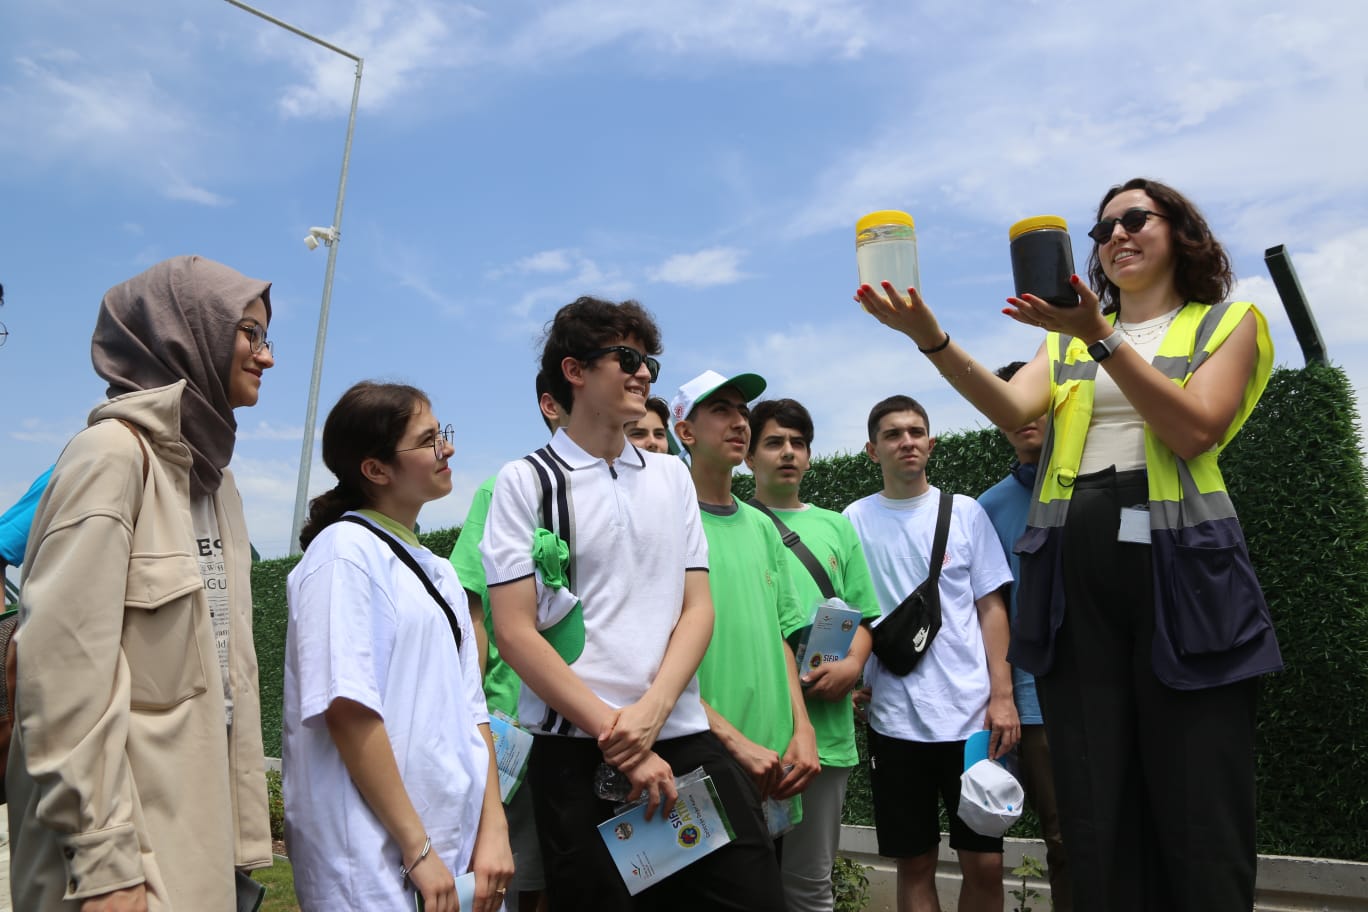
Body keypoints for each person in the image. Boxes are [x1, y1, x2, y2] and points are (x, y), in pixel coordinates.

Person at [856, 177, 1281, 911]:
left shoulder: (1227, 321)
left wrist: (1102, 335)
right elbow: (1010, 405)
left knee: (1198, 794)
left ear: (1181, 231)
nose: (1115, 234)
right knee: (1093, 798)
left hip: (1185, 572)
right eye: (1103, 226)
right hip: (1074, 574)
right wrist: (930, 337)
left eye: (1135, 218)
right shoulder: (1062, 341)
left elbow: (1194, 429)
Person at [482, 296, 786, 911]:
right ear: (574, 371)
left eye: (648, 360)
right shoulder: (526, 481)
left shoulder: (672, 477)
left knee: (755, 898)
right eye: (626, 358)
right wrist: (617, 733)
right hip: (578, 751)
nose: (644, 372)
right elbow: (513, 634)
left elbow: (697, 609)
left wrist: (652, 712)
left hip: (681, 733)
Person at [8, 256, 275, 911]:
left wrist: (242, 847)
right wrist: (104, 866)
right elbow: (62, 675)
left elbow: (225, 681)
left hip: (199, 854)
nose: (266, 357)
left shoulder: (219, 485)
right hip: (121, 872)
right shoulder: (111, 459)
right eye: (249, 333)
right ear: (187, 332)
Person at [283, 381, 513, 912]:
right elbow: (347, 708)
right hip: (373, 862)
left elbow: (472, 710)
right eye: (428, 439)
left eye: (443, 434)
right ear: (376, 469)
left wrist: (493, 828)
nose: (447, 449)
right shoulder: (343, 554)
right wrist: (418, 850)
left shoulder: (437, 570)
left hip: (454, 852)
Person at [844, 396, 1017, 912]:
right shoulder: (853, 520)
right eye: (894, 434)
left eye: (916, 432)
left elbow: (991, 609)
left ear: (931, 443)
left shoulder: (966, 513)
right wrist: (853, 675)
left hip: (971, 720)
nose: (907, 442)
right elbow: (848, 612)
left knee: (984, 862)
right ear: (873, 450)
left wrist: (1003, 697)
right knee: (914, 861)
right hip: (894, 720)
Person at [670, 372, 820, 844]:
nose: (739, 422)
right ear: (686, 432)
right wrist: (732, 742)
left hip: (775, 763)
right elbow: (651, 655)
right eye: (720, 410)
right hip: (699, 758)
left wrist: (803, 730)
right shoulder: (666, 520)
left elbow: (779, 636)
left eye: (742, 411)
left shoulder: (761, 525)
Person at [744, 397, 881, 912]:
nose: (788, 453)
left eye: (798, 443)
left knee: (808, 884)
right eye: (774, 442)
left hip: (825, 733)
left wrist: (853, 665)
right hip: (751, 729)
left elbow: (866, 616)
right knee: (742, 882)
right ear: (749, 455)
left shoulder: (836, 527)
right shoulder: (728, 522)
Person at [449, 371, 568, 912]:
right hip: (516, 726)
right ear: (553, 406)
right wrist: (471, 720)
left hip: (597, 729)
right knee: (514, 878)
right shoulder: (507, 488)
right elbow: (473, 607)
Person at [976, 364, 1071, 912]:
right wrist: (1003, 694)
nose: (1024, 417)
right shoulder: (987, 508)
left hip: (1103, 691)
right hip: (1030, 706)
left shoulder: (1097, 486)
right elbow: (988, 612)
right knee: (1061, 838)